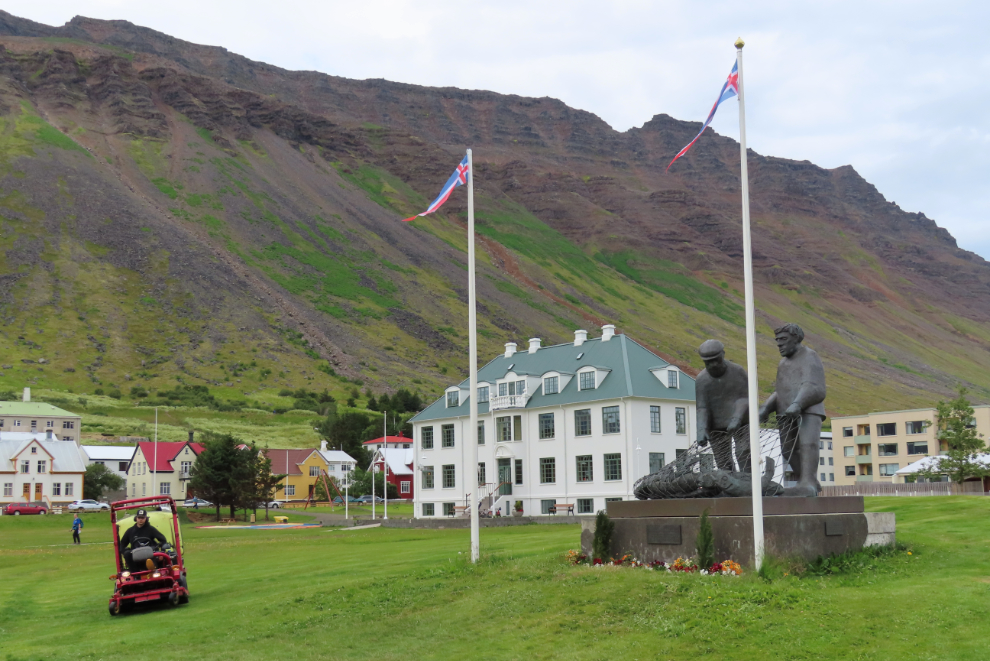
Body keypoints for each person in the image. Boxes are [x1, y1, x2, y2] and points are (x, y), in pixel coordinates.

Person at [759, 323, 827, 497]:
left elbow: (813, 385)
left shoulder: (810, 356)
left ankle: (808, 481)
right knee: (787, 448)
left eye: (783, 340)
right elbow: (781, 391)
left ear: (796, 339)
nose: (779, 344)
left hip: (808, 409)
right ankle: (805, 480)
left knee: (807, 444)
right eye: (777, 341)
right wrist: (766, 408)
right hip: (785, 413)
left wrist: (798, 403)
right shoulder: (783, 364)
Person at [694, 339, 751, 472]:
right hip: (716, 426)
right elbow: (702, 407)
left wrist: (736, 418)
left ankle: (748, 481)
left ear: (723, 354)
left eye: (716, 360)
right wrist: (701, 429)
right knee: (723, 461)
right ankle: (730, 486)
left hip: (740, 422)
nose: (713, 365)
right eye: (709, 362)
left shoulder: (738, 371)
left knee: (743, 452)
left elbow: (745, 398)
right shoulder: (701, 380)